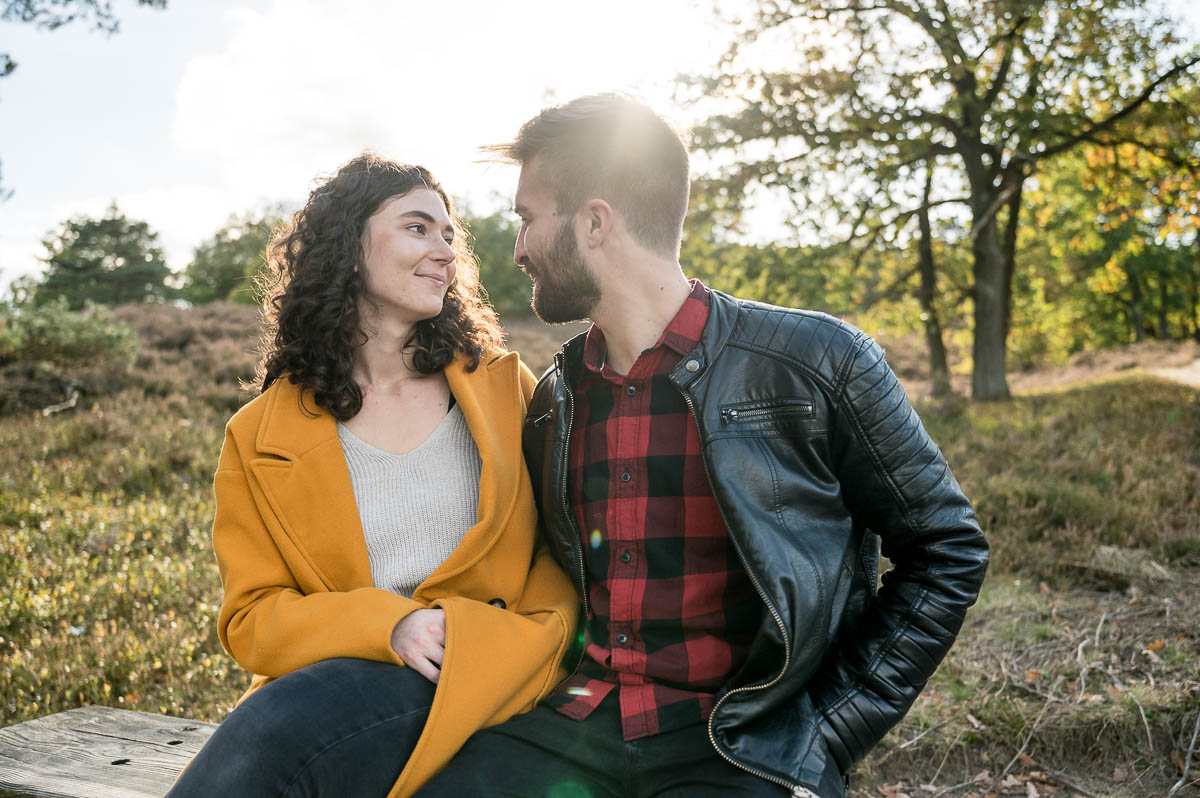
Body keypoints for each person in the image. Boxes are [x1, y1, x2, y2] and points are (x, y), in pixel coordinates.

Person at [416, 95, 989, 798]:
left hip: (741, 744)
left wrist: (829, 735)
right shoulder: (554, 400)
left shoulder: (819, 360)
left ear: (594, 223)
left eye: (527, 219)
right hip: (571, 722)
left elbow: (947, 547)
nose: (518, 250)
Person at [167, 153, 577, 798]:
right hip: (340, 694)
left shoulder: (505, 390)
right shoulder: (258, 435)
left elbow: (565, 545)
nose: (444, 250)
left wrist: (524, 637)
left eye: (449, 234)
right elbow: (252, 616)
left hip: (487, 673)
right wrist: (386, 626)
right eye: (417, 228)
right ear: (349, 248)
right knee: (276, 729)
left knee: (274, 732)